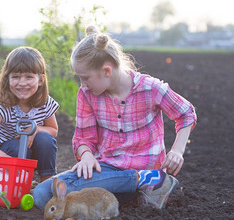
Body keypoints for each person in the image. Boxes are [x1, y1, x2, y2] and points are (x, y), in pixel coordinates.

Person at [33, 26, 197, 210]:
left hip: (145, 167)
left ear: (107, 71)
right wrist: (86, 157)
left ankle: (150, 181)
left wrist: (177, 151)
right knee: (41, 195)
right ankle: (143, 188)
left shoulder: (150, 88)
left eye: (85, 78)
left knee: (59, 195)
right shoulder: (87, 94)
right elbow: (83, 138)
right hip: (108, 170)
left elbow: (186, 113)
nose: (83, 84)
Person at [0, 46, 60, 182]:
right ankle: (16, 183)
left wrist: (37, 129)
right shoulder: (4, 107)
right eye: (16, 77)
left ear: (41, 80)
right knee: (16, 146)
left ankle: (47, 182)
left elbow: (53, 130)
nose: (22, 83)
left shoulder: (44, 103)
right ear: (7, 79)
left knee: (45, 139)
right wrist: (6, 160)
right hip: (9, 153)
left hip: (32, 152)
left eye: (29, 77)